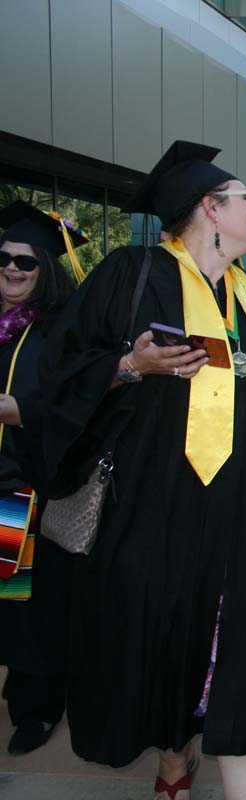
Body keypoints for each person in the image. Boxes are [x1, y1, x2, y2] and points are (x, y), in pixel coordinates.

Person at [0, 141, 246, 800]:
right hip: (159, 515)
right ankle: (176, 754)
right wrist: (130, 367)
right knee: (165, 648)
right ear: (209, 208)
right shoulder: (131, 273)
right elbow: (66, 370)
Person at [0, 202, 80, 755]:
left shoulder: (59, 334)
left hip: (21, 491)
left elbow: (74, 409)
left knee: (23, 605)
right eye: (2, 259)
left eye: (25, 263)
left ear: (46, 268)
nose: (11, 270)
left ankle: (37, 705)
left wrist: (17, 411)